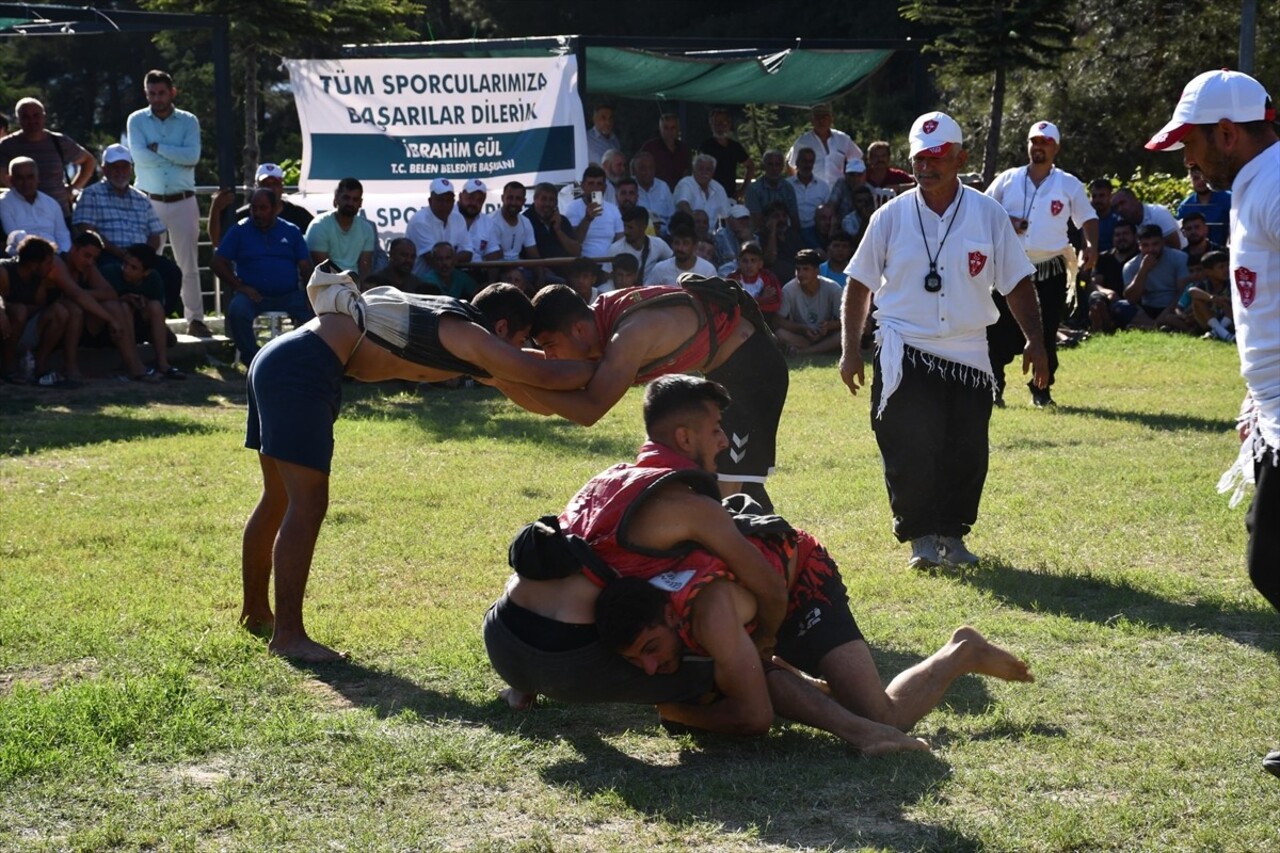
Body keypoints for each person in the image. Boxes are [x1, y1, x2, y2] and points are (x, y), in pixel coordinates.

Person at [485, 374, 910, 756]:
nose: (724, 440)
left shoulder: (607, 479)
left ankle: (522, 690)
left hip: (503, 640)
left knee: (693, 625)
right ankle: (860, 730)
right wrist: (763, 641)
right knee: (729, 656)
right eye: (715, 429)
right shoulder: (689, 506)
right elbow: (769, 587)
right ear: (686, 439)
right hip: (569, 659)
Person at [243, 273, 597, 662]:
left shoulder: (465, 341)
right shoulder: (470, 336)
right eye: (519, 341)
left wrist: (588, 374)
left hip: (281, 356)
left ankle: (257, 613)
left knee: (278, 497)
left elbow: (539, 396)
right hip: (302, 365)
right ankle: (288, 635)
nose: (520, 350)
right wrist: (615, 364)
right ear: (500, 328)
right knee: (306, 504)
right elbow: (543, 374)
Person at [839, 111, 1047, 570]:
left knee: (966, 451)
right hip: (904, 346)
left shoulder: (988, 214)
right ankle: (921, 539)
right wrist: (850, 349)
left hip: (969, 349)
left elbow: (1016, 281)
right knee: (909, 444)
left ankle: (953, 535)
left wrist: (1036, 340)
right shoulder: (889, 217)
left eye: (937, 158)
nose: (927, 168)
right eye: (919, 160)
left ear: (960, 158)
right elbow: (859, 284)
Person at [1146, 69, 1280, 777]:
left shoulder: (1276, 182)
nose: (1187, 161)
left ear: (1227, 133)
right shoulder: (1254, 184)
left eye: (1191, 146)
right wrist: (1257, 402)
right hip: (1275, 414)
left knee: (1272, 561)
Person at [511, 272, 789, 509]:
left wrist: (498, 363)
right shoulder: (600, 326)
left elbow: (588, 410)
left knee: (727, 493)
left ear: (579, 331)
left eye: (549, 346)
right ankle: (779, 555)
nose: (549, 358)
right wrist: (500, 373)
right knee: (727, 487)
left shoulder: (629, 335)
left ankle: (772, 558)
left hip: (754, 371)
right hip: (725, 373)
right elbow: (549, 403)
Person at [984, 120, 1098, 407]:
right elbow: (983, 210)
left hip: (1050, 267)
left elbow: (1088, 218)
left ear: (1056, 148)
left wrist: (1091, 246)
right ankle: (993, 388)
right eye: (1035, 141)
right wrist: (1009, 221)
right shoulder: (1007, 179)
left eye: (1045, 142)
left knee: (1046, 331)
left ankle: (1041, 391)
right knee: (998, 327)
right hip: (1009, 266)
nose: (1039, 147)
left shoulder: (1069, 184)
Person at [127, 70, 207, 336]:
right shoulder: (136, 120)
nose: (157, 98)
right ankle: (149, 319)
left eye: (161, 93)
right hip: (148, 201)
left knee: (189, 264)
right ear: (145, 93)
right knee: (148, 264)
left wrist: (158, 148)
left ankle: (195, 319)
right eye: (152, 93)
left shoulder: (188, 120)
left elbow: (193, 157)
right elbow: (140, 157)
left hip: (183, 200)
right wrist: (173, 153)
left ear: (172, 92)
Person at [1, 234, 122, 385]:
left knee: (60, 311)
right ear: (34, 264)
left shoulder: (41, 278)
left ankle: (40, 367)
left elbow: (71, 296)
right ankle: (8, 368)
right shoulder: (4, 270)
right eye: (49, 262)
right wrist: (3, 311)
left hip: (26, 330)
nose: (52, 265)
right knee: (19, 311)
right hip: (5, 330)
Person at [210, 188, 314, 364]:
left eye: (263, 208)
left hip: (289, 295)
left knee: (318, 315)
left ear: (274, 209)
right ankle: (253, 360)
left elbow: (305, 266)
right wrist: (239, 286)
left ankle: (307, 361)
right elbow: (217, 262)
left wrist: (310, 295)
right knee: (237, 310)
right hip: (253, 295)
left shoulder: (291, 231)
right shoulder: (239, 230)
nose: (257, 213)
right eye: (254, 208)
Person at [61, 231, 156, 381]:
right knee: (74, 310)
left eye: (94, 258)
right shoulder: (59, 263)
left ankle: (134, 365)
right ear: (74, 249)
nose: (90, 261)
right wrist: (111, 320)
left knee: (114, 304)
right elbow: (74, 295)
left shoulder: (88, 267)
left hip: (87, 326)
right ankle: (69, 367)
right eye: (87, 255)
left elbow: (109, 293)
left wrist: (82, 294)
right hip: (56, 321)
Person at [0, 97, 96, 221]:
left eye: (36, 115)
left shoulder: (59, 141)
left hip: (59, 213)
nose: (32, 120)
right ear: (18, 119)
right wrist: (19, 191)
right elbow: (2, 174)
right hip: (22, 215)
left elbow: (89, 161)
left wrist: (73, 189)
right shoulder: (7, 145)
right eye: (26, 117)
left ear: (44, 116)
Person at [102, 243, 185, 379]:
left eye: (133, 268)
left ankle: (163, 364)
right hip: (113, 326)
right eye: (125, 264)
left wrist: (143, 303)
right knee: (124, 307)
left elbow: (157, 305)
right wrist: (123, 299)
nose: (126, 270)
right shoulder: (110, 273)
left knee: (155, 306)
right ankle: (134, 363)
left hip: (141, 323)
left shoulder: (154, 279)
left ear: (146, 272)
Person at [207, 162, 314, 250]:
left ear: (282, 187)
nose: (271, 188)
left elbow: (315, 245)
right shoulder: (242, 217)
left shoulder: (300, 214)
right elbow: (218, 242)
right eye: (265, 184)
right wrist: (215, 209)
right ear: (256, 187)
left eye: (275, 183)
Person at [1119, 224, 1190, 328]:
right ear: (1139, 245)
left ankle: (1152, 326)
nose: (1151, 249)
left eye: (1155, 244)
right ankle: (1157, 326)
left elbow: (1182, 291)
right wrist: (1143, 270)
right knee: (1120, 307)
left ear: (1162, 242)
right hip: (1148, 308)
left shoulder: (1179, 258)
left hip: (1174, 306)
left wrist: (1165, 314)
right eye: (1145, 245)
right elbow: (1131, 298)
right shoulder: (1131, 266)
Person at [304, 178, 376, 280]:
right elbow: (323, 270)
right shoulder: (319, 226)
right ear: (336, 199)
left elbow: (365, 267)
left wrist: (363, 291)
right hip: (325, 285)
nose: (350, 203)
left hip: (354, 285)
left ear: (360, 203)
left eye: (355, 199)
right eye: (346, 198)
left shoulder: (366, 229)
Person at [776, 248, 842, 355]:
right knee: (780, 333)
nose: (801, 274)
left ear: (817, 271)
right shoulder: (788, 290)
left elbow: (844, 320)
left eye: (806, 269)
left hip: (827, 335)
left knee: (845, 334)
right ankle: (822, 349)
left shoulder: (833, 289)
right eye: (798, 269)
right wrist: (802, 329)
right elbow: (779, 321)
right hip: (802, 336)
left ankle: (805, 352)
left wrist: (829, 326)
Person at [0, 157, 71, 251]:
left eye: (30, 177)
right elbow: (14, 236)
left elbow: (63, 236)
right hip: (23, 257)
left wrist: (64, 254)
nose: (26, 182)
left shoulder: (51, 204)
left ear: (38, 178)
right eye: (20, 178)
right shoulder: (4, 203)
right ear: (11, 179)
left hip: (54, 256)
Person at [787, 104, 862, 189]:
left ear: (831, 119)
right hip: (813, 191)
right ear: (812, 121)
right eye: (817, 117)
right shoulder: (803, 141)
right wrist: (797, 188)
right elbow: (791, 165)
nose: (821, 121)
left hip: (839, 191)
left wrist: (857, 186)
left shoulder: (843, 139)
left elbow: (858, 160)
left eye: (824, 117)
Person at [405, 178, 473, 266]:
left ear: (453, 202)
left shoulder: (458, 218)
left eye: (448, 200)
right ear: (430, 201)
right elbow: (433, 260)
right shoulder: (420, 221)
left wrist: (448, 259)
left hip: (451, 275)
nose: (445, 204)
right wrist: (454, 258)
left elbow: (468, 253)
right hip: (421, 277)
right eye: (440, 200)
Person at [565, 165, 624, 260]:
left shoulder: (613, 210)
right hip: (584, 264)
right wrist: (587, 219)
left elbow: (620, 242)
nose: (595, 188)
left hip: (609, 264)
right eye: (591, 184)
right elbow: (574, 241)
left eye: (599, 184)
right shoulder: (573, 208)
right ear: (583, 186)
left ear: (604, 188)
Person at [607, 206, 672, 285]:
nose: (626, 231)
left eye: (630, 228)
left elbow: (673, 262)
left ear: (643, 227)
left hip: (651, 292)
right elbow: (607, 277)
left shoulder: (658, 244)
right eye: (625, 226)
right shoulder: (615, 249)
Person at [699, 108, 754, 199]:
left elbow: (750, 166)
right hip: (709, 195)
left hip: (730, 195)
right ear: (711, 125)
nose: (720, 127)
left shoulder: (735, 147)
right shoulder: (706, 147)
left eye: (723, 123)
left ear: (729, 124)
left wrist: (742, 190)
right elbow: (699, 170)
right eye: (716, 123)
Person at [744, 150, 801, 234]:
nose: (774, 168)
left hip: (784, 233)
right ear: (764, 166)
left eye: (777, 165)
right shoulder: (753, 189)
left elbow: (794, 217)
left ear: (782, 167)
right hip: (760, 235)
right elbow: (756, 221)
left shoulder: (788, 188)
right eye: (770, 164)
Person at [727, 241, 782, 327]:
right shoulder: (732, 279)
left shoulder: (769, 278)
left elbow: (775, 304)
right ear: (739, 263)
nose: (749, 265)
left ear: (760, 263)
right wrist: (761, 299)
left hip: (764, 322)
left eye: (753, 261)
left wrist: (745, 303)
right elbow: (730, 305)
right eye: (745, 261)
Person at [1112, 186, 1184, 250]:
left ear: (1135, 200)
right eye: (1116, 207)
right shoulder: (1123, 221)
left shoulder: (1158, 213)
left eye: (1122, 203)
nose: (1120, 209)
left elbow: (1175, 246)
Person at [1176, 165, 1232, 246]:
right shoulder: (1185, 206)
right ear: (1190, 180)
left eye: (1203, 177)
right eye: (1196, 178)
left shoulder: (1228, 199)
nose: (1200, 181)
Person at [648, 218, 717, 282]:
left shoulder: (708, 270)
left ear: (694, 246)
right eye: (677, 243)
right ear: (672, 245)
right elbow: (648, 293)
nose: (680, 248)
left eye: (685, 243)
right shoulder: (660, 269)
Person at [787, 147, 830, 248]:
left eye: (810, 161)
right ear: (797, 163)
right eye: (804, 161)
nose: (807, 165)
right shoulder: (787, 185)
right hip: (791, 229)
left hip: (816, 231)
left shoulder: (822, 186)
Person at [673, 153, 732, 226]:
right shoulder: (686, 183)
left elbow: (726, 215)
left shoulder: (718, 188)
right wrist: (698, 224)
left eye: (708, 169)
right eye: (700, 169)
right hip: (688, 232)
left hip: (713, 235)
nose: (704, 172)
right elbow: (682, 205)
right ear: (694, 170)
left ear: (713, 172)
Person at [362, 237, 437, 294]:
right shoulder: (375, 282)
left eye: (412, 257)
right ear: (391, 254)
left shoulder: (418, 285)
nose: (409, 260)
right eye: (404, 255)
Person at [640, 113, 692, 191]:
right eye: (666, 128)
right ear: (660, 129)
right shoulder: (650, 147)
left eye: (673, 128)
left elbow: (687, 172)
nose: (669, 132)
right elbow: (636, 167)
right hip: (654, 192)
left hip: (678, 193)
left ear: (678, 129)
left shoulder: (684, 149)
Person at [631, 151, 676, 235]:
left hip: (664, 235)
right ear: (634, 171)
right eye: (642, 168)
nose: (648, 172)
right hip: (640, 235)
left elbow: (672, 216)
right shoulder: (630, 188)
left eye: (651, 167)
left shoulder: (663, 186)